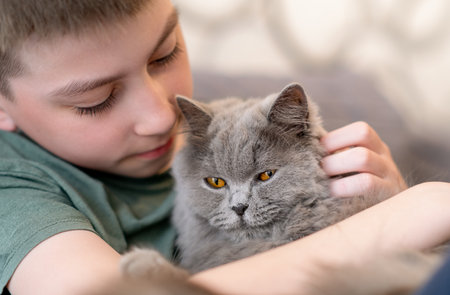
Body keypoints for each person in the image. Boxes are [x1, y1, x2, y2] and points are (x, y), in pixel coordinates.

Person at [0, 0, 448, 294]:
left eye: (165, 55)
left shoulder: (218, 125)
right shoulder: (15, 190)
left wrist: (373, 200)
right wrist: (399, 220)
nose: (162, 117)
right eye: (96, 101)